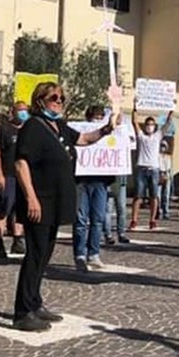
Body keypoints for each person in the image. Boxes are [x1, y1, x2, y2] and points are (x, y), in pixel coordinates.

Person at [12, 82, 114, 332]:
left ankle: (35, 303)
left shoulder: (58, 126)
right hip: (40, 201)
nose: (58, 101)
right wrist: (31, 198)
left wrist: (106, 129)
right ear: (40, 101)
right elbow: (21, 164)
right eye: (53, 97)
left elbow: (83, 139)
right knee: (35, 256)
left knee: (45, 255)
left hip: (55, 203)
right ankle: (23, 311)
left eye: (61, 98)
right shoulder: (33, 127)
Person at [73, 105, 116, 272]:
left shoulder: (107, 134)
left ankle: (94, 253)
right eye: (95, 116)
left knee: (98, 219)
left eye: (100, 116)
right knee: (81, 219)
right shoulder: (81, 130)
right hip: (82, 180)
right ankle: (80, 255)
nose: (97, 119)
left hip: (100, 181)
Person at [0, 102, 29, 259]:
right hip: (8, 175)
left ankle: (18, 240)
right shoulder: (3, 130)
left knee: (20, 210)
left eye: (25, 111)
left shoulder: (29, 130)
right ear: (13, 112)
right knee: (4, 209)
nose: (23, 113)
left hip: (24, 176)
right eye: (20, 111)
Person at [129, 101, 174, 230]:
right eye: (148, 124)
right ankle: (134, 220)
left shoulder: (158, 135)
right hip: (141, 168)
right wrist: (135, 107)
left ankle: (153, 220)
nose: (149, 126)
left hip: (154, 169)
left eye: (152, 124)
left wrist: (171, 110)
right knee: (138, 196)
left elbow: (168, 123)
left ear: (155, 126)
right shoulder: (141, 136)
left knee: (154, 196)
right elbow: (134, 122)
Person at [158, 138, 173, 220]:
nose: (162, 147)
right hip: (159, 173)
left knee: (166, 195)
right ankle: (158, 211)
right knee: (158, 195)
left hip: (167, 174)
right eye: (161, 146)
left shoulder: (168, 157)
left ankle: (165, 211)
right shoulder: (157, 156)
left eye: (164, 146)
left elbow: (169, 168)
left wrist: (167, 176)